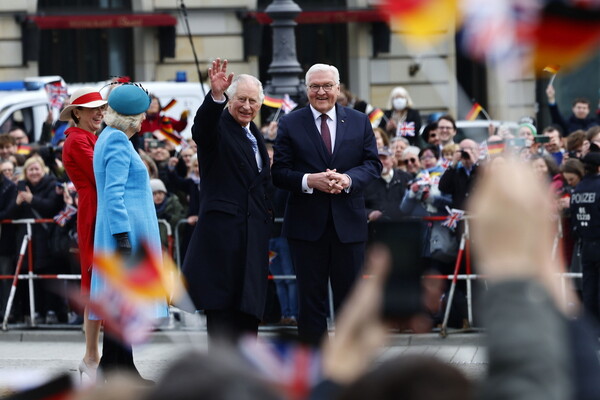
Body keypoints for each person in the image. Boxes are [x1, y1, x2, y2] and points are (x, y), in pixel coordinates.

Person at [272, 62, 381, 344]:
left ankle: (351, 365)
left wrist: (347, 179)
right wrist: (310, 180)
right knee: (310, 302)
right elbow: (280, 172)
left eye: (327, 86)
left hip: (349, 225)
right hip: (306, 227)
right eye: (315, 86)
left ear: (337, 88)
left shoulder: (359, 121)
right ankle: (314, 366)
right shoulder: (290, 122)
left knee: (352, 301)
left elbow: (372, 165)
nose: (321, 92)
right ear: (306, 89)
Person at [181, 59, 273, 343]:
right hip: (223, 239)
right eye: (241, 99)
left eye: (253, 101)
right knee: (222, 315)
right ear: (230, 99)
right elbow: (202, 129)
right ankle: (220, 379)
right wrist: (216, 97)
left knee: (248, 314)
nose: (247, 106)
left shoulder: (254, 134)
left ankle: (247, 377)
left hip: (252, 238)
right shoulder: (219, 125)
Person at [92, 83, 168, 381]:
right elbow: (113, 194)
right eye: (141, 116)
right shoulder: (117, 142)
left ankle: (117, 368)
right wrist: (123, 236)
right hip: (124, 236)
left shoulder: (111, 138)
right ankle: (117, 370)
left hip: (124, 233)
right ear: (133, 119)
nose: (143, 122)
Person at [60, 86, 107, 381]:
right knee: (96, 284)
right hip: (93, 210)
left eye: (102, 108)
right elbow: (100, 174)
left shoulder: (87, 137)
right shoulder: (78, 140)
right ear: (77, 112)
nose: (100, 113)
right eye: (94, 109)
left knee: (100, 284)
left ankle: (93, 355)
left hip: (96, 206)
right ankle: (91, 355)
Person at [364, 147, 411, 222]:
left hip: (403, 225)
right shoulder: (368, 180)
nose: (381, 162)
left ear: (392, 160)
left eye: (384, 158)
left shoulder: (405, 178)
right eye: (378, 159)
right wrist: (369, 213)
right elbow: (359, 205)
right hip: (377, 227)